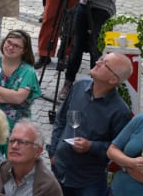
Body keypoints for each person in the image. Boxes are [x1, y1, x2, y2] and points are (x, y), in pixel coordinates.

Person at [49, 53, 132, 196]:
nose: (98, 63)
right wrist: (53, 152)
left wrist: (91, 146)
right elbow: (61, 119)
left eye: (105, 64)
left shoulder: (120, 111)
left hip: (88, 181)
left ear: (113, 79)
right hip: (59, 169)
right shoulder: (79, 86)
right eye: (101, 59)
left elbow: (119, 148)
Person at [0, 30, 42, 131]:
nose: (10, 47)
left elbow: (18, 98)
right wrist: (12, 97)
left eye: (16, 46)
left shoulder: (29, 72)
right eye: (9, 42)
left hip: (17, 126)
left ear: (24, 50)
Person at [0, 120, 63, 195]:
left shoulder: (48, 188)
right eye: (12, 140)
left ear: (38, 151)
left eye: (22, 142)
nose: (14, 146)